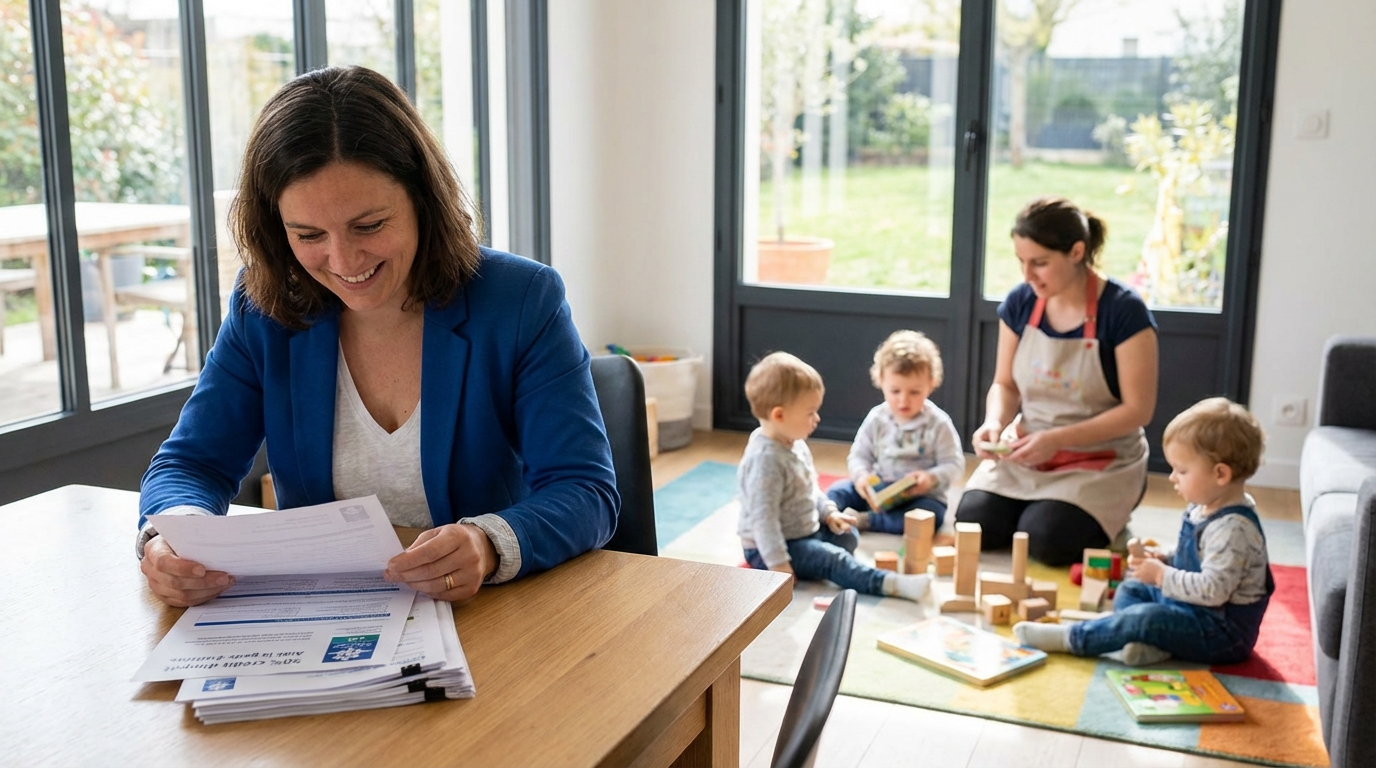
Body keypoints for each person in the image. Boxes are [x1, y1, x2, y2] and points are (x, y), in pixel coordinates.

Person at [136, 66, 618, 607]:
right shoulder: (263, 306)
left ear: (421, 200)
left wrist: (487, 542)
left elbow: (586, 491)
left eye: (368, 226)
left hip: (489, 612)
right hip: (323, 611)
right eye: (309, 235)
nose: (343, 261)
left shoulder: (520, 300)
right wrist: (170, 536)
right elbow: (191, 464)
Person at [955, 196, 1158, 565]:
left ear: (1077, 251)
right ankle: (1041, 511)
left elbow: (1138, 410)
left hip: (1101, 460)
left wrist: (1058, 440)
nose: (1027, 275)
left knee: (1047, 540)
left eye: (1040, 263)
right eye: (1021, 262)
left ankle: (1108, 521)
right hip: (1028, 451)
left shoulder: (1124, 310)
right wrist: (995, 423)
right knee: (973, 523)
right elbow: (1006, 384)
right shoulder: (1021, 302)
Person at [1014, 398, 1273, 666]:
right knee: (1133, 589)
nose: (1172, 477)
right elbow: (1197, 554)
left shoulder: (1232, 529)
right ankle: (1145, 641)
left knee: (1145, 618)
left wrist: (1161, 575)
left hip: (1220, 633)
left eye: (1182, 471)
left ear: (1220, 474)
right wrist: (1165, 558)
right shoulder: (1204, 507)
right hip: (1191, 608)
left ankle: (1073, 639)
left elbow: (1213, 590)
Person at [736, 352, 930, 602]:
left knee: (848, 536)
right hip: (769, 549)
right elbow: (764, 522)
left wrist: (829, 513)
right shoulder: (765, 460)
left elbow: (809, 489)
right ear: (779, 415)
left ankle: (821, 563)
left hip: (803, 531)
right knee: (834, 560)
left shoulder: (793, 442)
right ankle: (889, 583)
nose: (816, 419)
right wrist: (778, 565)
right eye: (810, 413)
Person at [824, 330, 964, 533]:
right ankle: (827, 515)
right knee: (838, 491)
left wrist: (930, 478)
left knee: (928, 520)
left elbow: (954, 465)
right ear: (881, 380)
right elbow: (858, 456)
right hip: (879, 491)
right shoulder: (877, 418)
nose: (903, 400)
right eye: (895, 391)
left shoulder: (938, 423)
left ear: (931, 384)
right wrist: (862, 477)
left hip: (922, 497)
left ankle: (868, 521)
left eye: (914, 392)